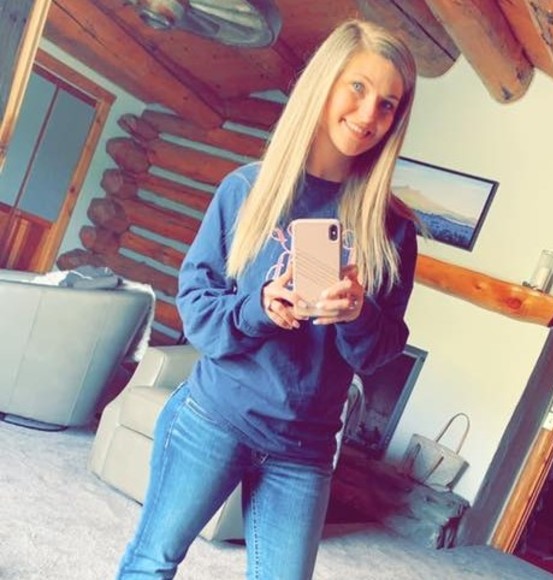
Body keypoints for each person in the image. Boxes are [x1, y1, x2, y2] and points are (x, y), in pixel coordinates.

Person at [117, 18, 419, 580]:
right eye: (357, 87)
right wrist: (260, 308)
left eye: (387, 104)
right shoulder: (246, 189)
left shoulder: (393, 229)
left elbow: (381, 352)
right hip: (215, 417)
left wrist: (356, 314)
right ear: (325, 84)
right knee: (152, 564)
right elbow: (197, 310)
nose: (368, 114)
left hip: (305, 449)